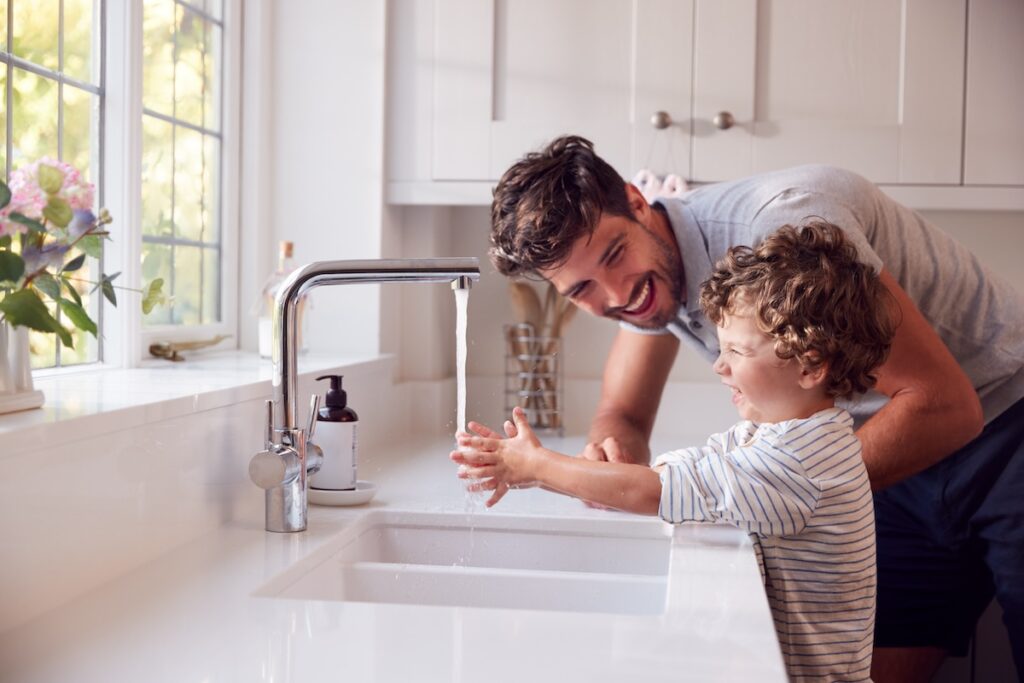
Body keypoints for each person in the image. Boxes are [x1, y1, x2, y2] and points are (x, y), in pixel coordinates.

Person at [487, 135, 1024, 683]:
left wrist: (755, 493)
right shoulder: (642, 278)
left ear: (637, 201)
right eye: (581, 290)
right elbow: (622, 411)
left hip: (1006, 426)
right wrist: (613, 450)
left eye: (614, 254)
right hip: (891, 459)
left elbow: (946, 408)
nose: (617, 295)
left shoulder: (781, 236)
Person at [454, 221, 896, 682]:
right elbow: (689, 469)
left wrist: (537, 465)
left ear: (811, 366)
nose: (720, 366)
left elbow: (661, 491)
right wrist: (554, 475)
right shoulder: (784, 434)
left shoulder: (797, 462)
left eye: (738, 352)